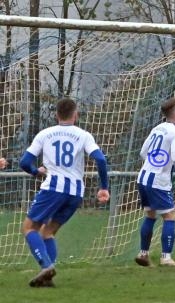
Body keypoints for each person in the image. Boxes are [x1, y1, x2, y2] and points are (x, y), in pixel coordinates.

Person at [19, 97, 109, 287]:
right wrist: (104, 187)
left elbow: (24, 163)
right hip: (76, 192)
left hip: (53, 188)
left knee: (29, 228)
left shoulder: (45, 134)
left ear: (56, 115)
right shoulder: (84, 135)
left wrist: (36, 172)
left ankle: (45, 265)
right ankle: (48, 277)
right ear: (75, 115)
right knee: (48, 232)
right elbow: (100, 160)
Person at [134, 98, 175, 267]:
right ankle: (166, 257)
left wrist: (155, 162)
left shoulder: (157, 128)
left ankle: (143, 254)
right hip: (158, 181)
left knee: (150, 215)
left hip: (143, 177)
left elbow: (143, 152)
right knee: (169, 216)